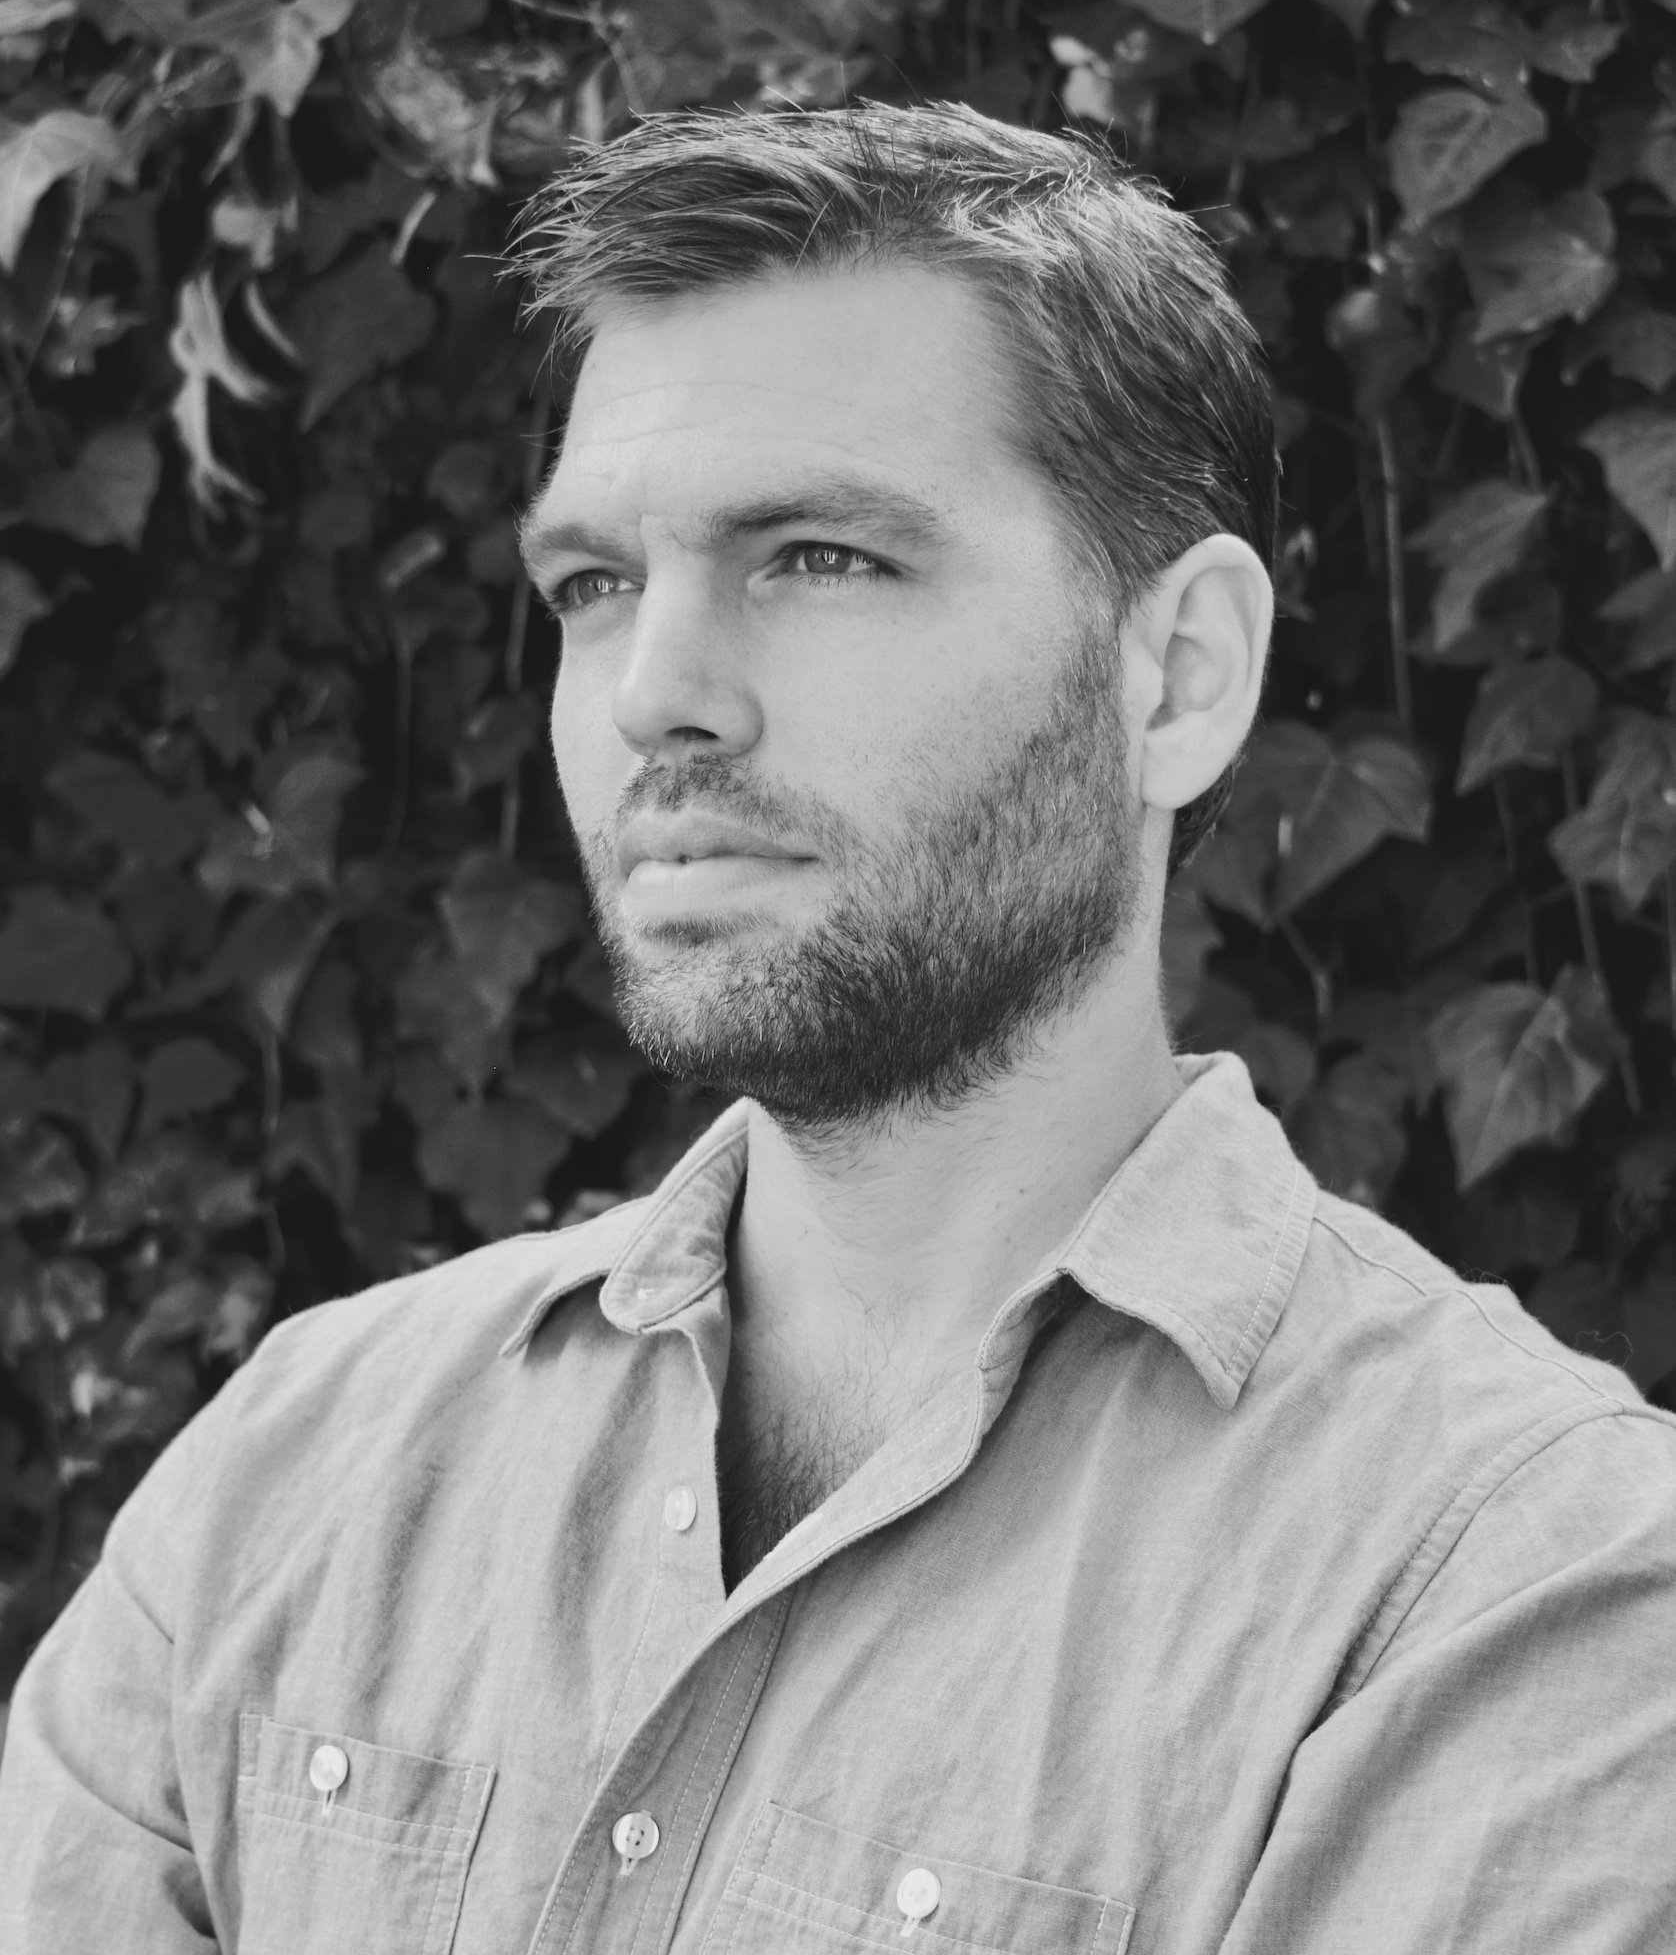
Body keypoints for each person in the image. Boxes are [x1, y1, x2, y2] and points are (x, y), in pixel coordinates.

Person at [2, 102, 1672, 1955]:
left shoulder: (1508, 1582)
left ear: (1178, 675)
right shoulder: (302, 1467)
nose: (657, 697)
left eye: (814, 557)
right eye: (594, 586)